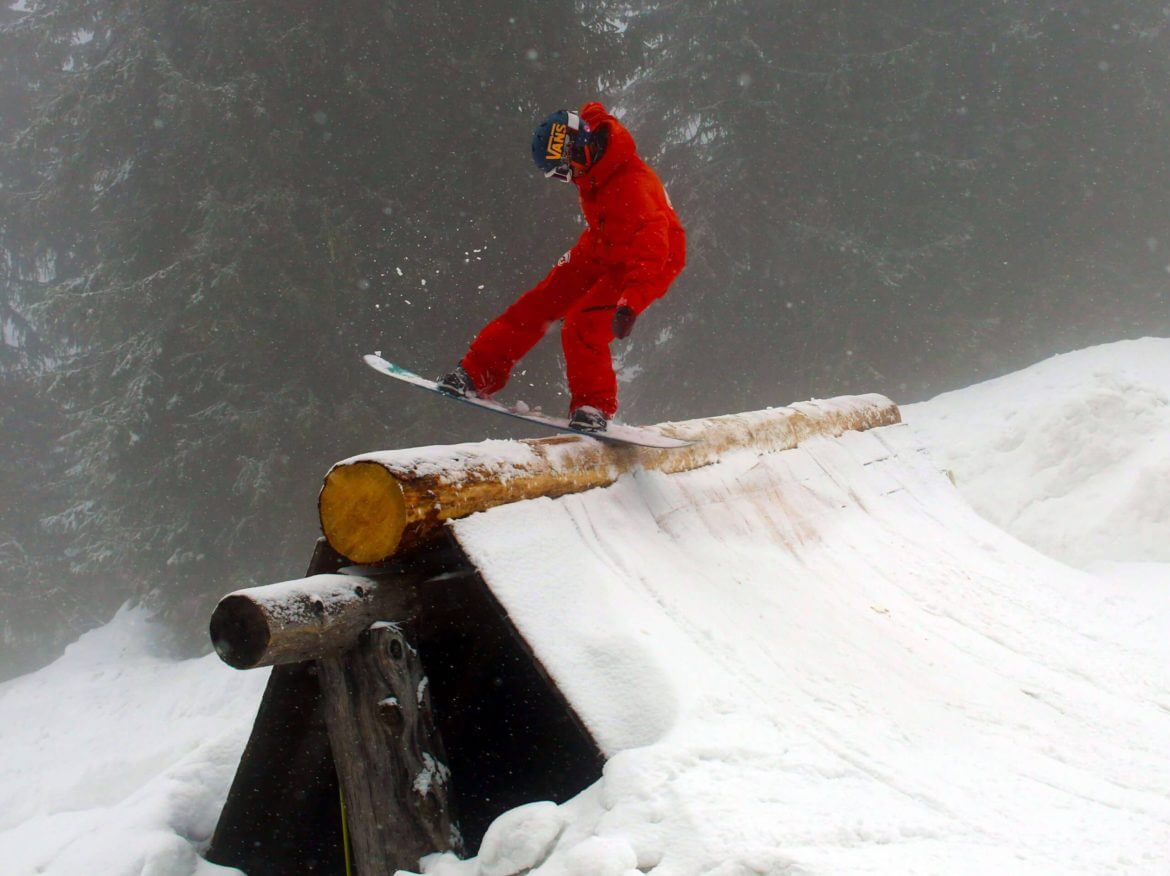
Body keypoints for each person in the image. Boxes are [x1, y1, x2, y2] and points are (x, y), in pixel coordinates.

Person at [438, 102, 686, 432]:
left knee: (582, 326)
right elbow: (592, 116)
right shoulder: (597, 155)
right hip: (601, 243)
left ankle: (593, 406)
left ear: (579, 153)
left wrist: (631, 302)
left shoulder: (634, 187)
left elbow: (654, 249)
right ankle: (477, 372)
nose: (566, 179)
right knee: (541, 302)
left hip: (641, 265)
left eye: (563, 170)